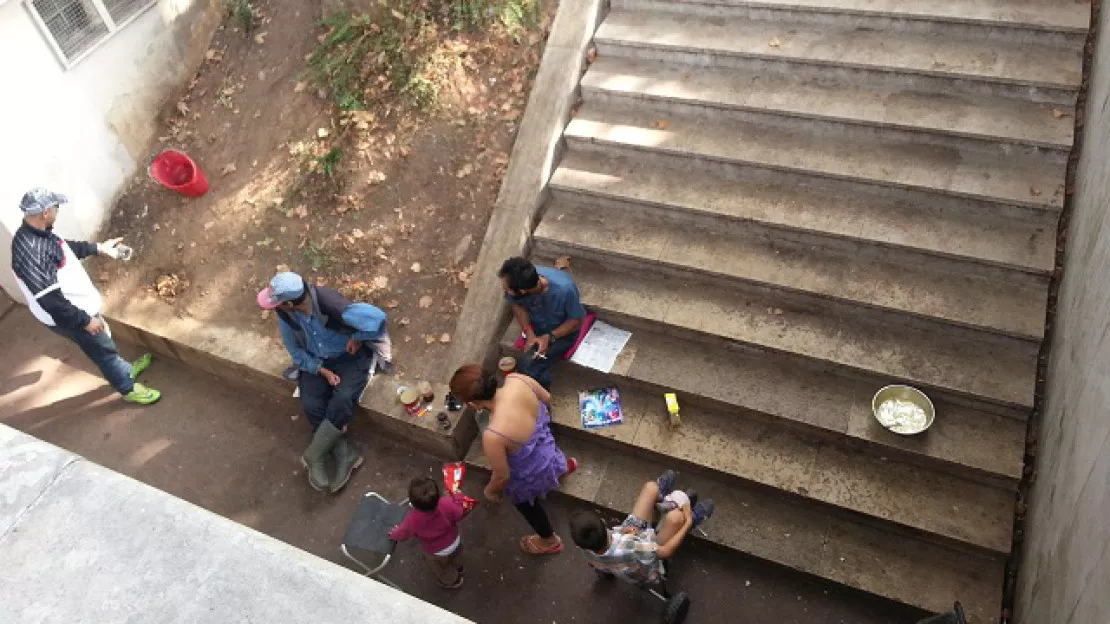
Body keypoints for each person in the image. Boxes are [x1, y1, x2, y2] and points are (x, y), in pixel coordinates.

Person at [10, 188, 160, 404]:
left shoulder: (38, 233)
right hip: (69, 315)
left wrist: (98, 248)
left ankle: (124, 370)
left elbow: (63, 249)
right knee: (102, 350)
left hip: (77, 308)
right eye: (55, 208)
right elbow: (51, 302)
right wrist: (84, 321)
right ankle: (127, 389)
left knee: (103, 341)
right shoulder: (33, 253)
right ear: (44, 212)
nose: (57, 211)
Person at [258, 271, 394, 493]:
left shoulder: (330, 304)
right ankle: (344, 453)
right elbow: (295, 351)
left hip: (349, 358)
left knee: (342, 399)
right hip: (317, 361)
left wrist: (357, 337)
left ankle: (315, 453)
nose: (275, 307)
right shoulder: (285, 315)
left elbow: (377, 318)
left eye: (278, 303)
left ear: (291, 303)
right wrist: (319, 370)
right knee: (311, 403)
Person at [449, 364, 577, 555]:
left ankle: (549, 540)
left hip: (529, 471)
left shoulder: (493, 434)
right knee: (551, 454)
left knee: (526, 504)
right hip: (546, 445)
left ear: (473, 404)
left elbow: (502, 476)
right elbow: (547, 398)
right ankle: (562, 468)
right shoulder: (517, 379)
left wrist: (490, 492)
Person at [569, 471, 715, 585]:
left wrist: (622, 533)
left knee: (650, 488)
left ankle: (663, 499)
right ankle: (688, 519)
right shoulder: (633, 547)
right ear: (602, 521)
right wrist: (688, 522)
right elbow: (665, 552)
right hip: (645, 556)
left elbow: (592, 561)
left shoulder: (585, 547)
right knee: (675, 519)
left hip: (625, 540)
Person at [499, 257, 586, 389]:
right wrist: (529, 332)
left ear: (522, 291)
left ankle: (541, 399)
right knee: (529, 364)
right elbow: (517, 306)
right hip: (537, 328)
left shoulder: (565, 290)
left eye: (508, 289)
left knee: (528, 365)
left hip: (561, 333)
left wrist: (549, 337)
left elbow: (576, 321)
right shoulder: (524, 282)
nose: (505, 292)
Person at [389, 476, 466, 589]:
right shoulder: (447, 503)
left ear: (413, 503)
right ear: (438, 494)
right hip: (455, 540)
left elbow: (403, 533)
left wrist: (393, 534)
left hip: (437, 551)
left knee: (440, 568)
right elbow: (459, 513)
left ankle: (452, 580)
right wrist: (458, 496)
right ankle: (460, 568)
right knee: (457, 555)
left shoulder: (413, 519)